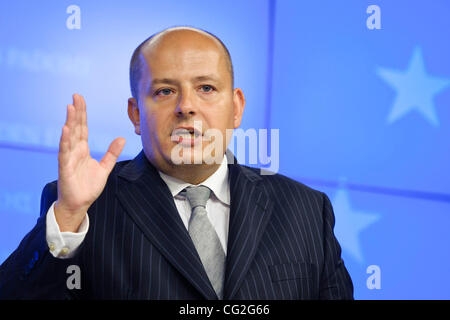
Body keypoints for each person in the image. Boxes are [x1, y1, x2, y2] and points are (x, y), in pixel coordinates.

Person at [0, 26, 353, 299]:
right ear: (136, 114)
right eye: (165, 91)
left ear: (236, 107)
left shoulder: (307, 209)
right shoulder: (83, 208)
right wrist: (68, 217)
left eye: (206, 88)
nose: (186, 106)